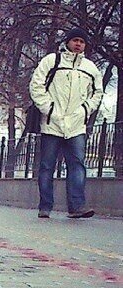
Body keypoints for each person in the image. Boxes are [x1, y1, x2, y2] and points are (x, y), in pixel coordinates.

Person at [30, 27, 103, 219]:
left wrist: (85, 110)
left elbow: (97, 93)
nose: (78, 44)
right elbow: (36, 85)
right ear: (68, 42)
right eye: (75, 40)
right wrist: (49, 109)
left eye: (82, 41)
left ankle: (77, 207)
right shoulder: (52, 61)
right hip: (52, 124)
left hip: (76, 125)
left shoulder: (90, 68)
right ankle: (45, 206)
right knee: (47, 166)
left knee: (77, 164)